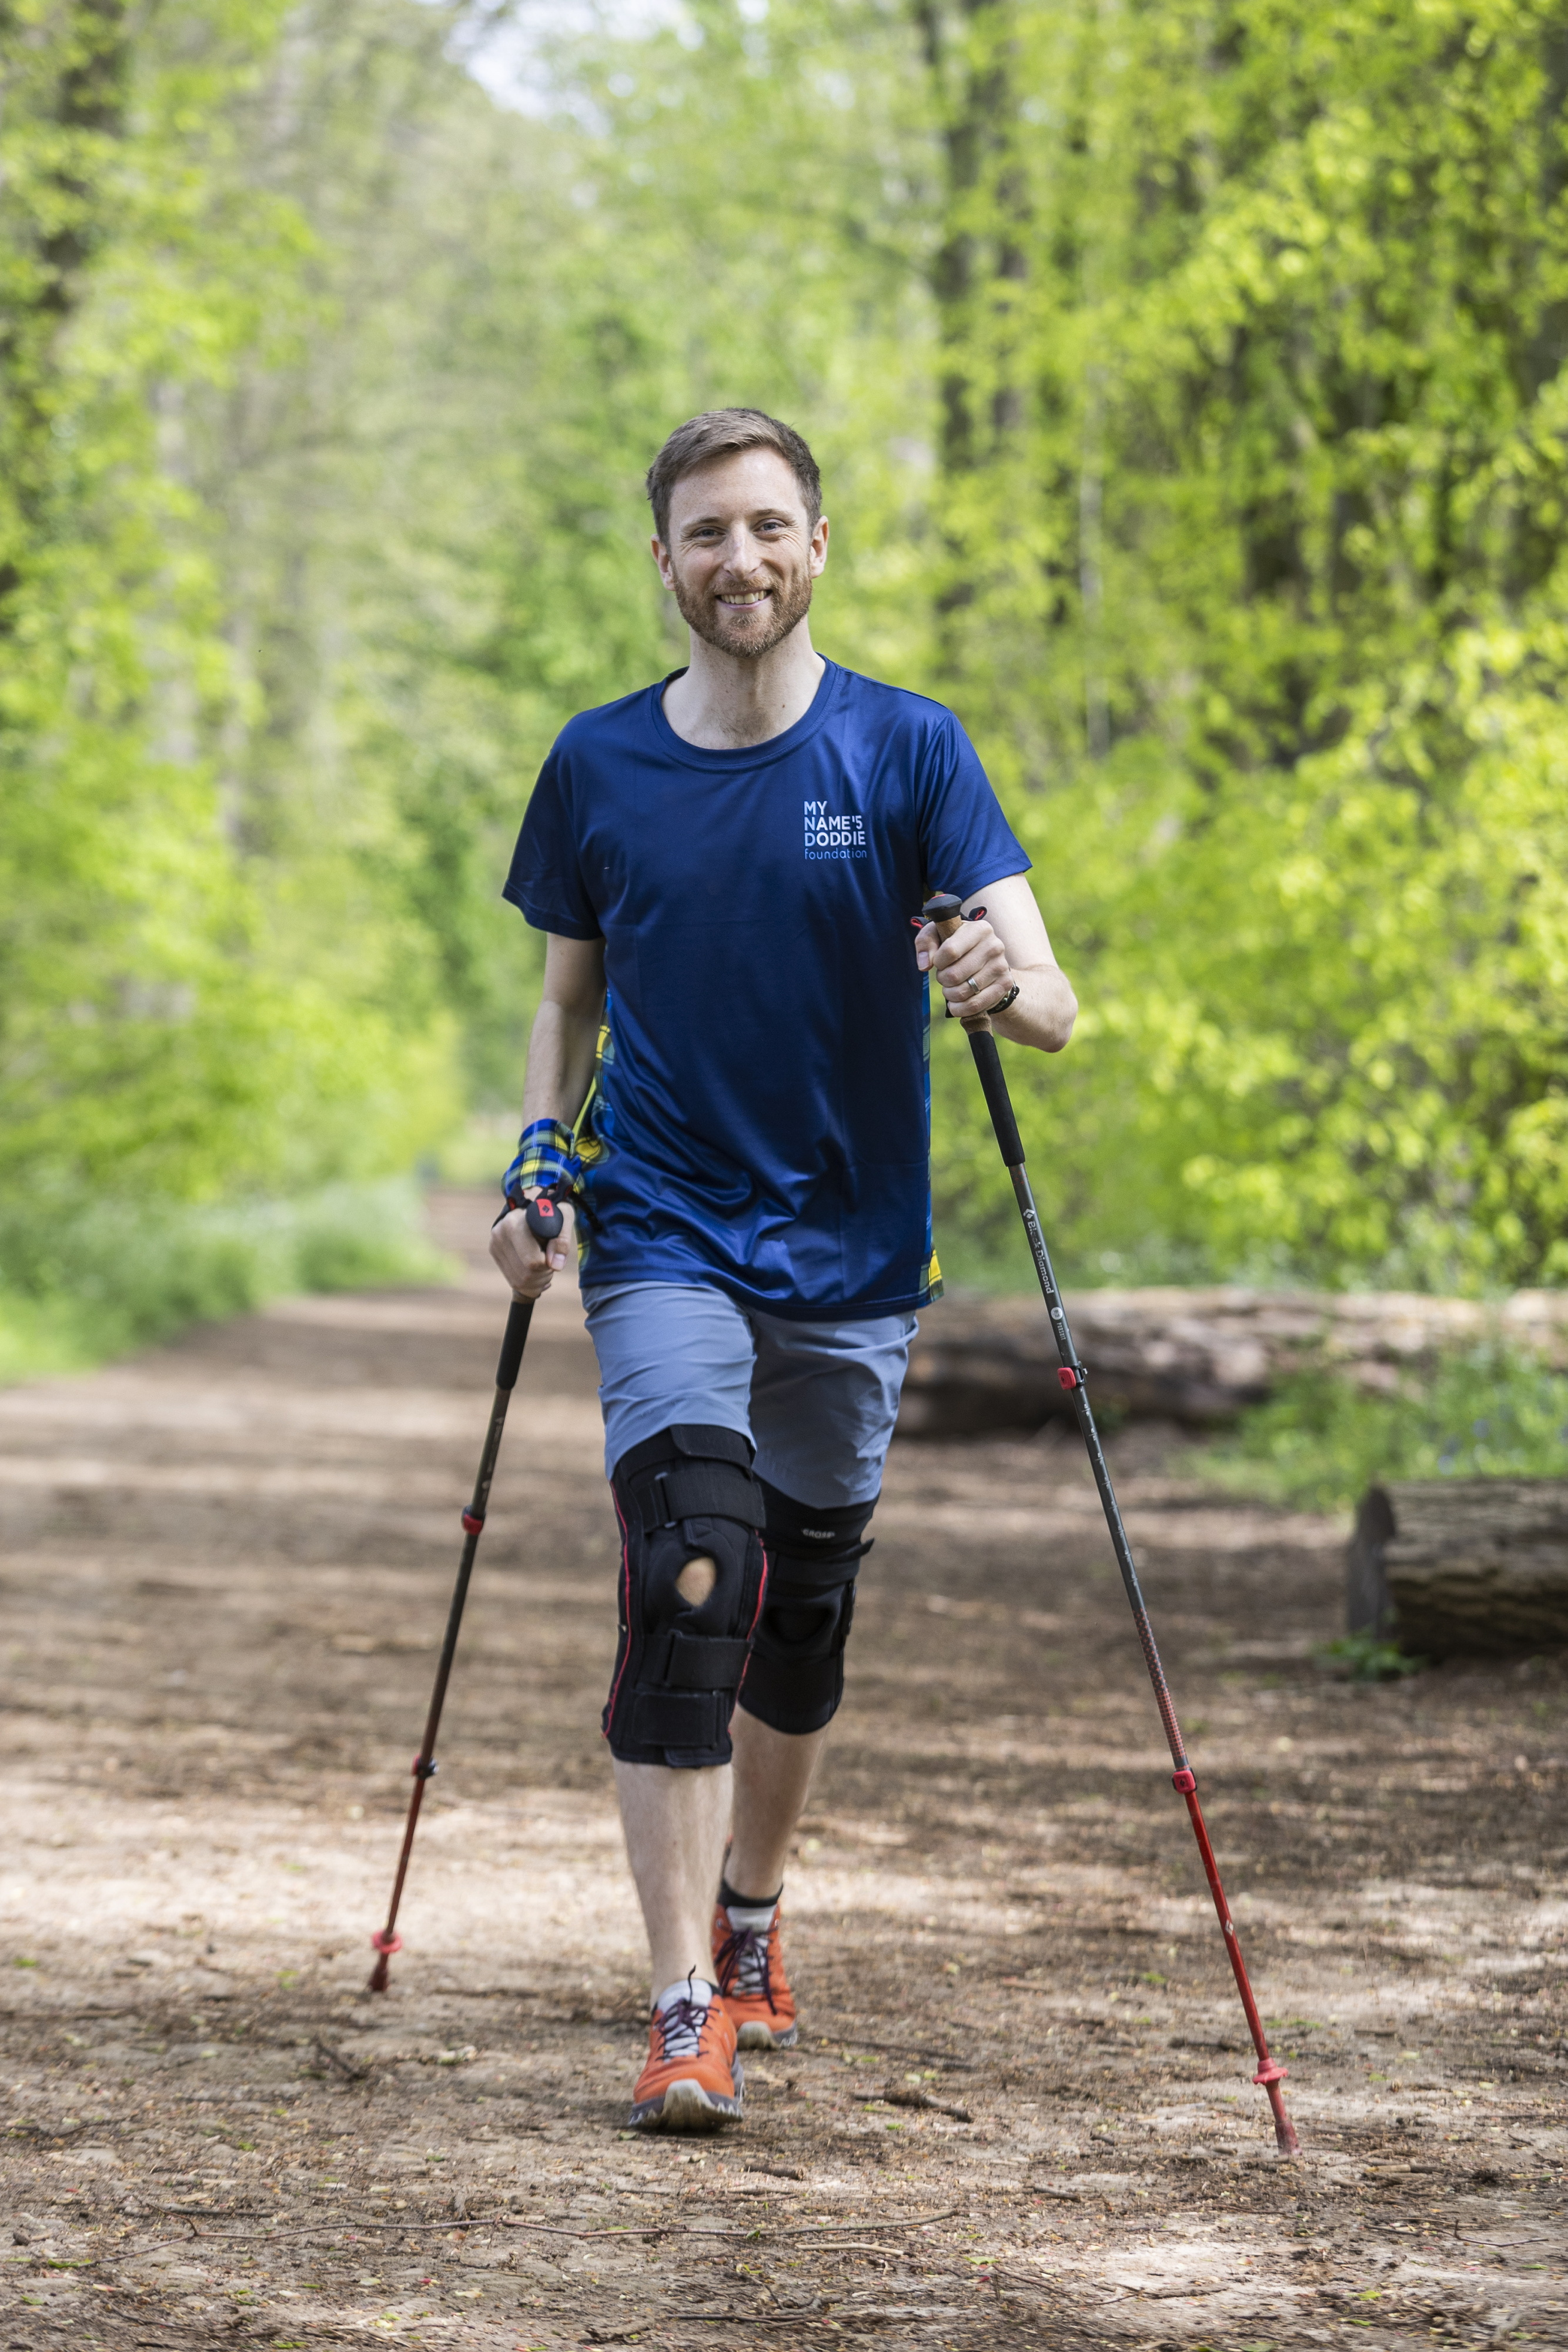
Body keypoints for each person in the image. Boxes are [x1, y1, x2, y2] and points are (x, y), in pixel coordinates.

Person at [490, 407, 1076, 2133]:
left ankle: (750, 1911)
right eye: (701, 533)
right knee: (695, 1576)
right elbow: (564, 999)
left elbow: (1049, 1001)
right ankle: (682, 2005)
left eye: (765, 527)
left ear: (816, 546)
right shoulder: (599, 764)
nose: (735, 559)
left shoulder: (908, 753)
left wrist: (991, 979)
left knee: (800, 1616)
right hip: (663, 1222)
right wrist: (541, 1159)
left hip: (851, 1250)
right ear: (661, 562)